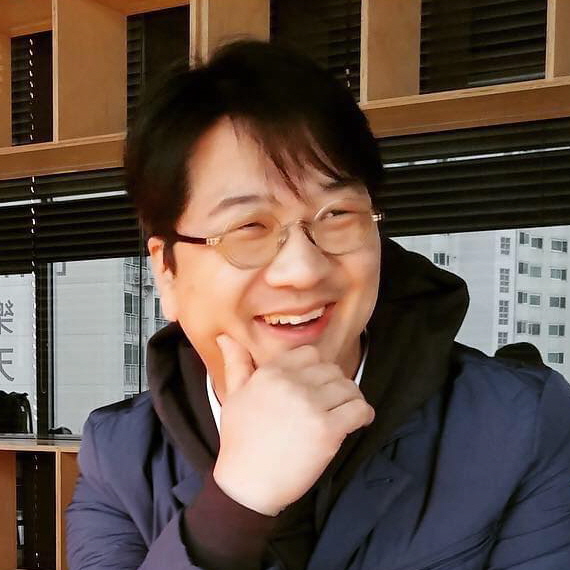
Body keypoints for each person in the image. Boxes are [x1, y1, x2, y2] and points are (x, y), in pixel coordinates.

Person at [66, 40, 570, 570]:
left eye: (336, 215)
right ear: (166, 270)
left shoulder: (520, 424)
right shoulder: (119, 458)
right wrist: (235, 505)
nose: (303, 270)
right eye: (249, 227)